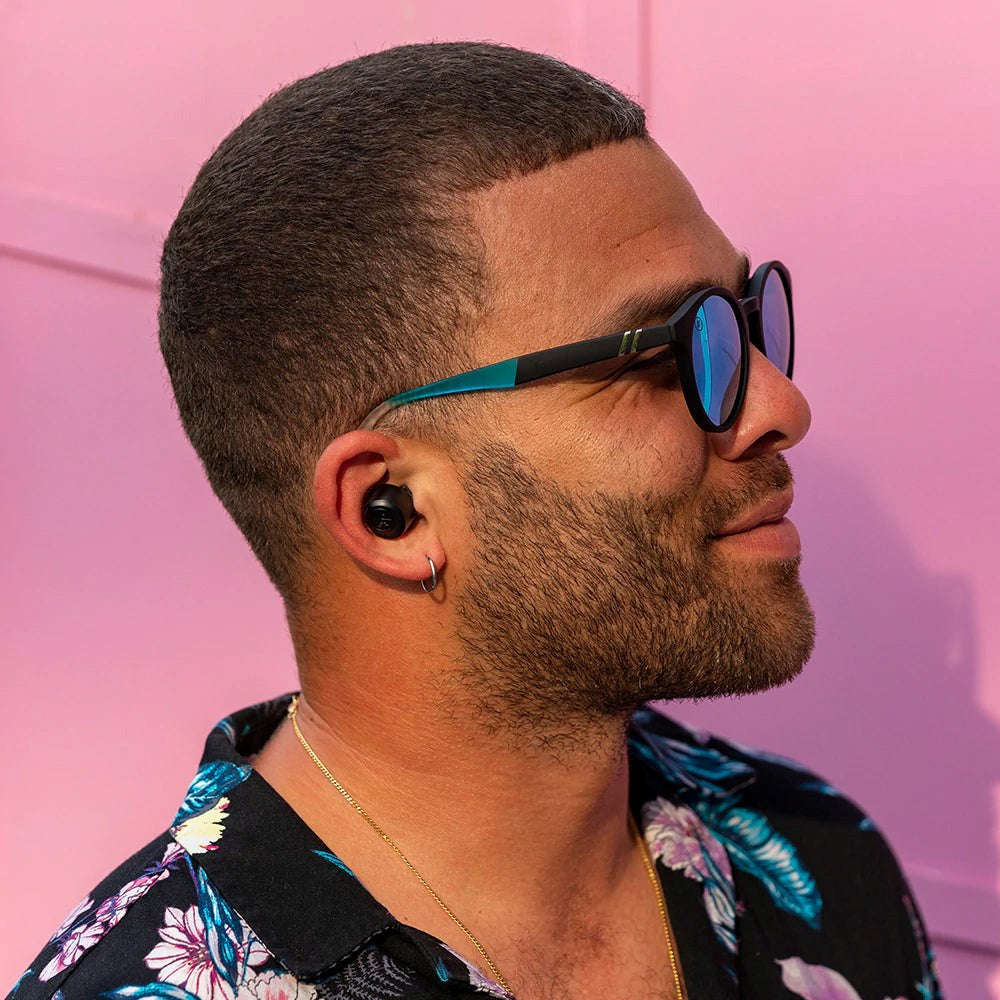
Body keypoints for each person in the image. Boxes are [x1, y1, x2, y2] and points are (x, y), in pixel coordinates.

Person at [8, 41, 943, 1000]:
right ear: (392, 511)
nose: (781, 405)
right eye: (667, 356)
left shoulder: (815, 862)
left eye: (746, 321)